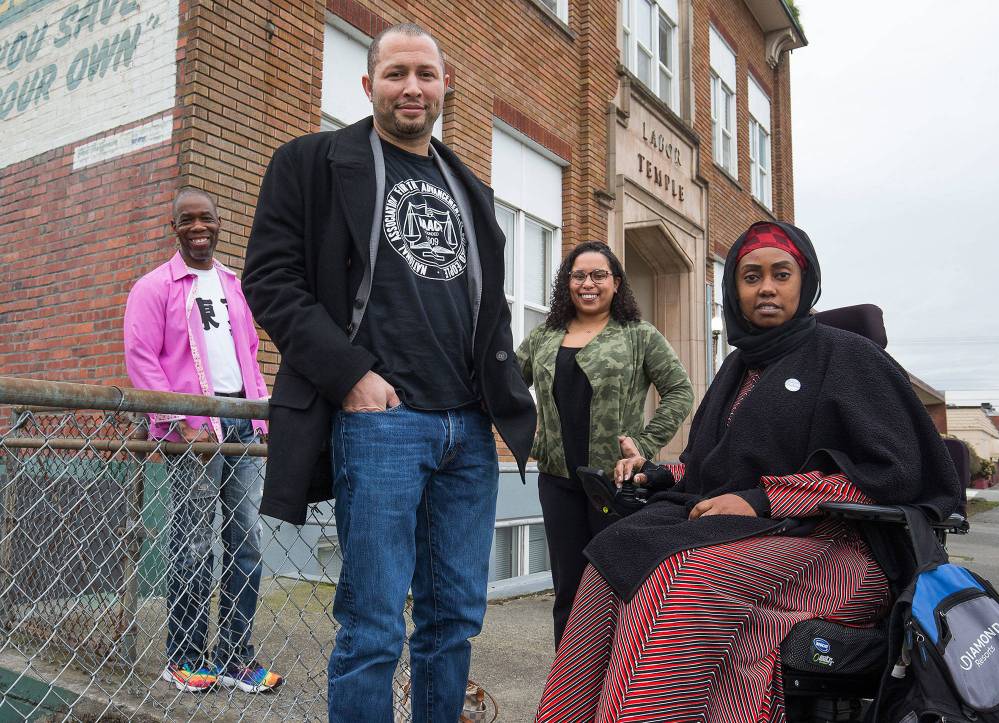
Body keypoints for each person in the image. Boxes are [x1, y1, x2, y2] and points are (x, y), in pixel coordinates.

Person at [535, 221, 961, 721]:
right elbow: (708, 466)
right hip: (743, 532)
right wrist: (660, 475)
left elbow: (892, 474)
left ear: (804, 282)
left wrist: (763, 500)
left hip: (842, 545)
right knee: (609, 557)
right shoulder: (736, 369)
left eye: (781, 274)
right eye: (751, 277)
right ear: (734, 291)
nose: (766, 288)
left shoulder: (848, 356)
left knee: (682, 575)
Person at [241, 23, 536, 723]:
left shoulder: (470, 187)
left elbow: (487, 307)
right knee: (373, 625)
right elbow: (271, 280)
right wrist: (351, 375)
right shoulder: (311, 162)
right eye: (397, 73)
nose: (413, 87)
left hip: (466, 428)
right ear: (368, 84)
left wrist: (502, 401)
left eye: (426, 75)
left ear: (445, 86)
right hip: (382, 423)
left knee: (454, 620)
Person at [123, 187, 282, 694]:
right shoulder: (153, 288)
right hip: (194, 431)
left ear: (219, 223)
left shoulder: (233, 284)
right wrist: (181, 421)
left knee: (246, 542)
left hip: (241, 425)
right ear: (175, 227)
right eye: (187, 220)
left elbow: (249, 355)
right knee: (193, 544)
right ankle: (185, 656)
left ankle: (237, 657)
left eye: (206, 218)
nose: (198, 227)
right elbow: (142, 361)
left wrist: (260, 418)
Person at [516, 241, 692, 649]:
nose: (588, 283)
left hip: (615, 484)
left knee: (614, 588)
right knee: (568, 590)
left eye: (599, 275)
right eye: (579, 275)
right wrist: (529, 437)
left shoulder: (638, 335)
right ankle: (568, 685)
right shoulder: (546, 336)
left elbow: (680, 390)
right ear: (567, 283)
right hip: (558, 482)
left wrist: (645, 444)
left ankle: (616, 690)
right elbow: (506, 386)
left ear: (615, 283)